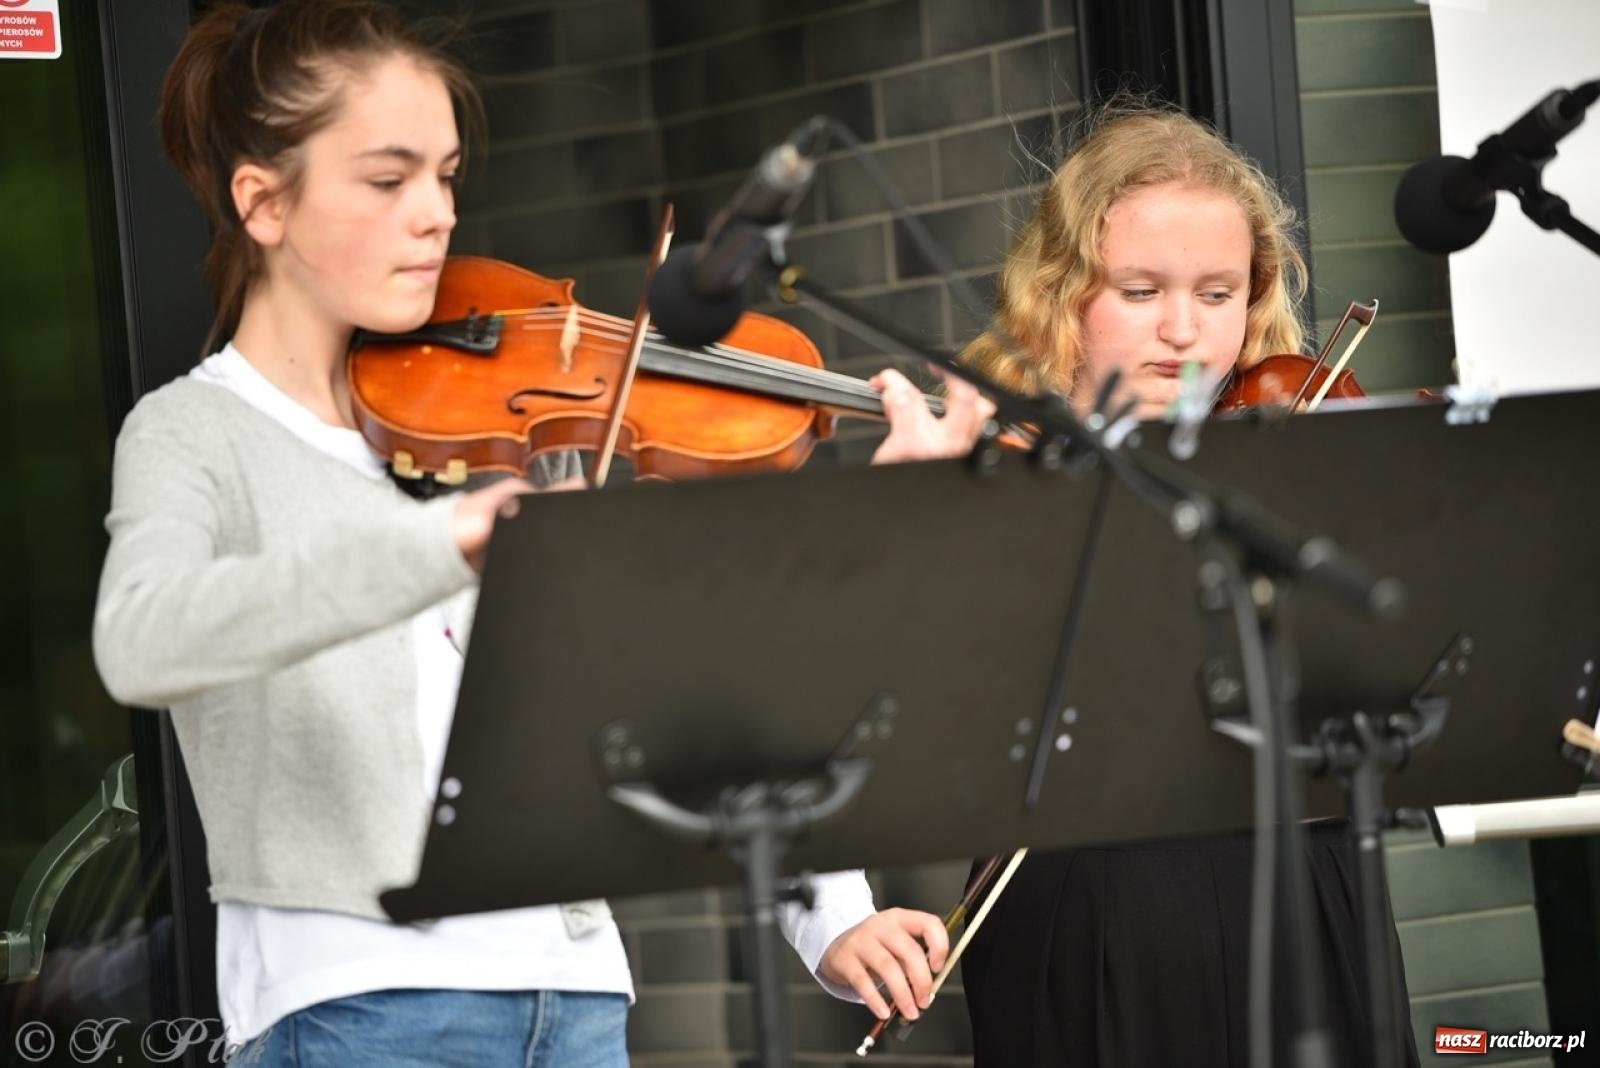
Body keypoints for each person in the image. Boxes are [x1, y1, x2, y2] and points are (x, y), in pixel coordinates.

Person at [90, 2, 984, 1064]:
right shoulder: (198, 433)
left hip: (577, 1001)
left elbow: (687, 698)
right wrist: (442, 545)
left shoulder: (506, 433)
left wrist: (829, 912)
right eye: (387, 179)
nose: (434, 215)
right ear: (263, 202)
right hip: (359, 1009)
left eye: (446, 176)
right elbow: (139, 640)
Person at [934, 106, 1417, 1067]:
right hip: (1096, 908)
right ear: (1062, 292)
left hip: (1308, 888)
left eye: (1219, 292)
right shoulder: (996, 468)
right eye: (1141, 289)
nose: (1185, 332)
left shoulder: (1296, 451)